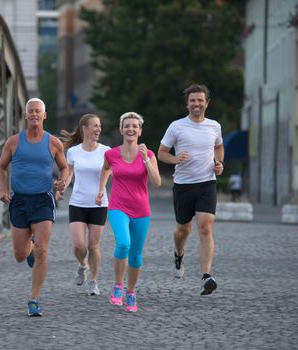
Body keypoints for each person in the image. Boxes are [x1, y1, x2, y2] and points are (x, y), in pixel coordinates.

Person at [0, 98, 69, 316]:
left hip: (43, 200)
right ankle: (28, 249)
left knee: (42, 249)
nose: (35, 115)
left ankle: (34, 299)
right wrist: (3, 190)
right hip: (19, 201)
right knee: (20, 255)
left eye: (38, 111)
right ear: (26, 116)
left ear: (44, 115)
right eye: (31, 112)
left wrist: (62, 182)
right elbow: (1, 167)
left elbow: (64, 168)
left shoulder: (53, 142)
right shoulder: (13, 142)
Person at [157, 84, 224, 296]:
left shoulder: (214, 126)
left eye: (200, 100)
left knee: (205, 227)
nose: (196, 104)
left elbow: (219, 146)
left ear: (206, 103)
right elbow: (161, 153)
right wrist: (176, 159)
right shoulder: (177, 126)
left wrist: (219, 163)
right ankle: (179, 254)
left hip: (207, 183)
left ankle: (206, 276)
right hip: (184, 185)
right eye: (193, 100)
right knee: (183, 230)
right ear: (187, 103)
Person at [95, 112, 161, 313]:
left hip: (141, 210)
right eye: (127, 126)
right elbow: (105, 169)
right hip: (118, 207)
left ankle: (131, 292)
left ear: (140, 130)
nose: (131, 129)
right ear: (121, 129)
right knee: (123, 243)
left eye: (135, 126)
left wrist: (146, 160)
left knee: (136, 256)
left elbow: (157, 182)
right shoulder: (111, 154)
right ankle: (118, 286)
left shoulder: (148, 154)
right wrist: (101, 190)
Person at [56, 114, 111, 296]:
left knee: (94, 246)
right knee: (79, 245)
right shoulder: (73, 152)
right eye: (94, 126)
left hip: (99, 204)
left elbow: (109, 172)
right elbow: (69, 172)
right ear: (84, 128)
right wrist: (62, 186)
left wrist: (102, 190)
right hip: (78, 202)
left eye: (99, 126)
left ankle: (94, 281)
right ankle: (82, 265)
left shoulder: (106, 151)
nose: (98, 129)